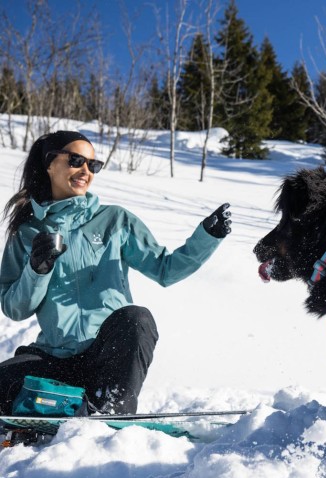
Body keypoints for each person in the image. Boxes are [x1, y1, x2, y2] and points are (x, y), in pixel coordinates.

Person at [0, 130, 231, 415]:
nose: (86, 171)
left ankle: (112, 411)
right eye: (76, 160)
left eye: (93, 165)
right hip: (54, 357)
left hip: (106, 358)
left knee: (137, 318)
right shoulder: (27, 233)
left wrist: (206, 236)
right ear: (49, 164)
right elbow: (14, 308)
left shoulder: (115, 220)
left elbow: (165, 270)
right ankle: (61, 408)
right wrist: (38, 270)